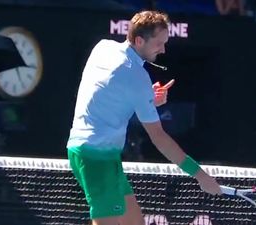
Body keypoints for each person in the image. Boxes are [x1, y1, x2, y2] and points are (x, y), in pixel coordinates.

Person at [66, 10, 222, 225]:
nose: (163, 49)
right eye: (159, 43)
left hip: (92, 152)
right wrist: (200, 176)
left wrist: (146, 99)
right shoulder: (137, 78)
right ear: (139, 40)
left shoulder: (103, 47)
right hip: (95, 157)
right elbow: (159, 138)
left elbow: (106, 92)